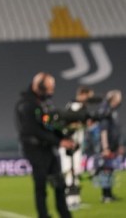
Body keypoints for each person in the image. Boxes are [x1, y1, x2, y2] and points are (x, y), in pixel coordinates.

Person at [15, 72, 74, 218]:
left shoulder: (45, 103)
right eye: (49, 88)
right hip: (35, 149)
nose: (51, 92)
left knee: (59, 183)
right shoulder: (26, 105)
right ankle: (43, 215)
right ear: (40, 87)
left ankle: (65, 214)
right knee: (41, 185)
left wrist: (64, 136)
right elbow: (32, 130)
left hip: (48, 147)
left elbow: (50, 125)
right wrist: (59, 141)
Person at [59, 85, 93, 210]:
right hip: (69, 144)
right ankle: (69, 201)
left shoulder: (78, 106)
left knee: (76, 171)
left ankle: (75, 199)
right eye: (88, 96)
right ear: (83, 94)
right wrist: (82, 124)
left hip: (76, 145)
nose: (89, 99)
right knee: (69, 171)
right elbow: (70, 124)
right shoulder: (75, 107)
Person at [95, 90, 122, 203]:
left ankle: (109, 194)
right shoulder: (105, 112)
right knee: (105, 170)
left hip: (112, 146)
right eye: (119, 97)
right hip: (107, 147)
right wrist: (105, 148)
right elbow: (104, 131)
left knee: (110, 170)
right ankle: (105, 195)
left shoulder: (111, 112)